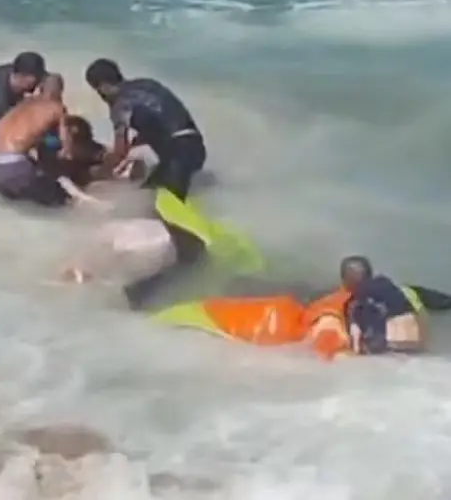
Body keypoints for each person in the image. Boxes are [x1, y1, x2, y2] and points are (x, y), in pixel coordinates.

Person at [145, 255, 435, 360]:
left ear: (344, 280)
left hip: (383, 354)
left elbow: (328, 351)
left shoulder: (330, 310)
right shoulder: (400, 291)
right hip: (413, 349)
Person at [84, 59, 208, 266]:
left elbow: (120, 149)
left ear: (103, 86)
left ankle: (190, 259)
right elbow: (162, 120)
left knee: (165, 213)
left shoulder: (120, 105)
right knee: (148, 194)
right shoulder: (148, 84)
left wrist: (101, 174)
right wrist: (136, 144)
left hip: (177, 156)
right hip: (194, 146)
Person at [0, 74, 97, 207]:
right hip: (13, 168)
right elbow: (66, 149)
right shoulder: (56, 108)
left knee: (21, 201)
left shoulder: (23, 103)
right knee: (63, 202)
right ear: (60, 92)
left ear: (40, 88)